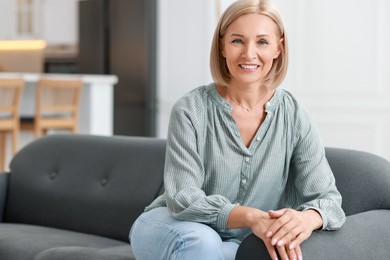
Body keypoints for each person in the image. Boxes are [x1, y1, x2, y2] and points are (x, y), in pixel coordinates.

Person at [129, 0, 346, 259]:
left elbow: (329, 201)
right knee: (204, 241)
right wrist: (252, 217)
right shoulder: (189, 110)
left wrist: (308, 218)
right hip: (171, 226)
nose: (249, 54)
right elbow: (183, 198)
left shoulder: (296, 116)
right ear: (222, 46)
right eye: (237, 41)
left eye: (262, 42)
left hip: (240, 241)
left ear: (279, 48)